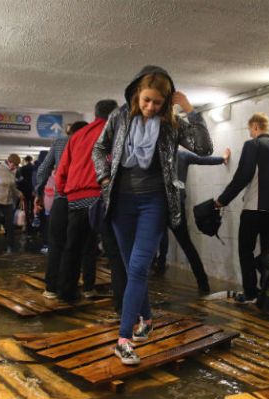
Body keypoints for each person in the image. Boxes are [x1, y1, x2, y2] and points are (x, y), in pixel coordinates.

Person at [93, 65, 213, 365]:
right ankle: (146, 317)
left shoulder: (171, 121)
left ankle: (123, 340)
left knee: (138, 268)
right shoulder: (119, 116)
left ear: (166, 102)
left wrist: (190, 110)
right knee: (130, 266)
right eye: (146, 100)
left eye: (157, 102)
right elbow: (100, 148)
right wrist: (104, 179)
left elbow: (203, 147)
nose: (150, 107)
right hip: (121, 203)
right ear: (137, 94)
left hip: (154, 203)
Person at [55, 99, 124, 304]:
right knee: (114, 252)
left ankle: (66, 294)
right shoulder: (116, 132)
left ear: (95, 114)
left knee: (72, 247)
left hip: (76, 199)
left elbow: (62, 171)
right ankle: (121, 304)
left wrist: (64, 192)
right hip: (103, 197)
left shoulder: (77, 136)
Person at [214, 113, 269, 304]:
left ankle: (251, 292)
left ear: (256, 127)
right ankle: (268, 295)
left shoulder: (253, 145)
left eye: (251, 129)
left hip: (253, 208)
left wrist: (222, 200)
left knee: (245, 250)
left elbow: (243, 176)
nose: (250, 133)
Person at [154, 147, 231, 293]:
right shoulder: (182, 154)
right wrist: (222, 158)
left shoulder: (155, 152)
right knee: (187, 245)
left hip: (157, 204)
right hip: (176, 205)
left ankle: (147, 279)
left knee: (147, 245)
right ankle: (203, 284)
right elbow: (204, 159)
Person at [34, 121, 88, 298]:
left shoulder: (59, 143)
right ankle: (68, 290)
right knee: (76, 246)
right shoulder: (91, 143)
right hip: (83, 200)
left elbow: (43, 169)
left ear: (70, 131)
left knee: (56, 243)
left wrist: (39, 192)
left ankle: (50, 288)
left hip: (61, 199)